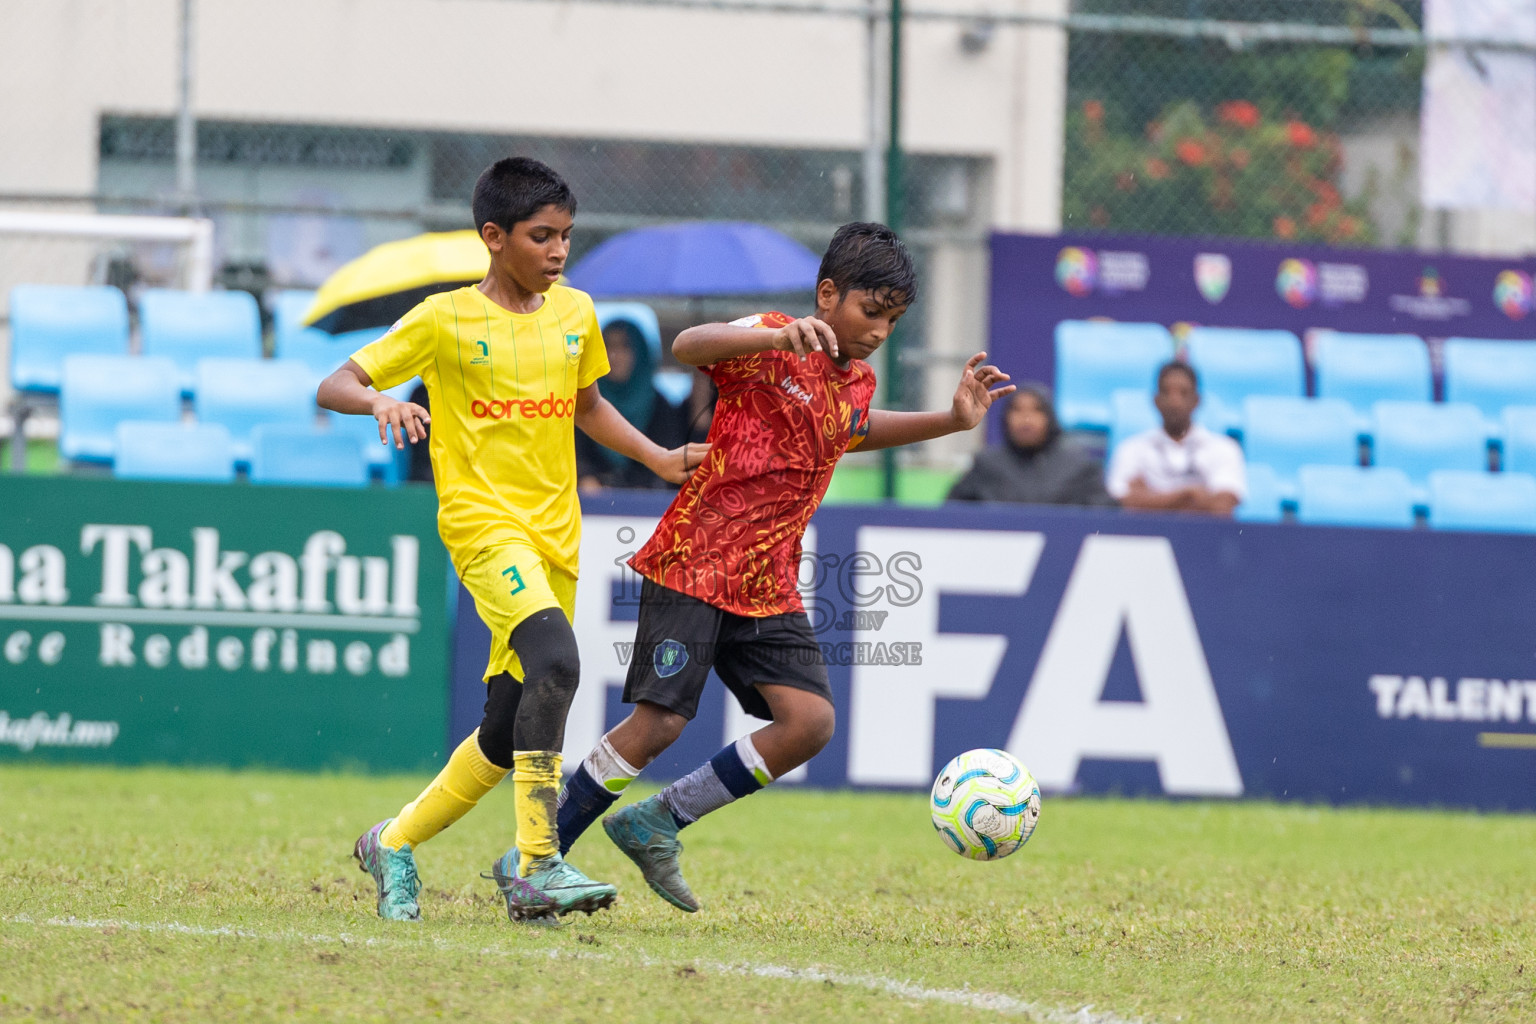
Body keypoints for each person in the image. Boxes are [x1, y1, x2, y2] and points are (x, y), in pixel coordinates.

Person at [550, 222, 1015, 912]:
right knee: (660, 724)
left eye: (894, 318)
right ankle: (536, 857)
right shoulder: (770, 337)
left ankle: (658, 820)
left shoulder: (857, 378)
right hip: (697, 558)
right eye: (870, 311)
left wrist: (948, 421)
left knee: (808, 723)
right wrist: (772, 337)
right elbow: (687, 346)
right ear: (828, 295)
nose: (881, 329)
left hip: (767, 584)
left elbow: (852, 429)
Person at [316, 157, 704, 924]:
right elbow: (336, 384)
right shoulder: (444, 319)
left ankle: (389, 842)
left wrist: (657, 457)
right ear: (494, 238)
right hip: (484, 529)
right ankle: (537, 865)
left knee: (506, 723)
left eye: (565, 235)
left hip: (557, 538)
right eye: (541, 236)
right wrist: (380, 404)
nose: (558, 250)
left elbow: (588, 405)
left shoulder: (576, 313)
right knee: (559, 662)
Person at [1105, 360, 1246, 516]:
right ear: (1155, 400)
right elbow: (1122, 503)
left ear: (1197, 400)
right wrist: (1190, 494)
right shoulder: (1131, 449)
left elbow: (1222, 507)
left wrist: (1149, 496)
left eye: (1183, 393)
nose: (1175, 402)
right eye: (1166, 392)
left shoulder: (1224, 449)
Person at [946, 384, 1115, 507]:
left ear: (1050, 418)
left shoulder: (1078, 466)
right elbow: (952, 512)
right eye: (1017, 410)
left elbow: (1103, 514)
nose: (1026, 419)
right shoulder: (986, 464)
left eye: (1037, 410)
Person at [574, 313, 690, 491]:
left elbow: (670, 457)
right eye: (608, 347)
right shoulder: (583, 401)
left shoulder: (660, 406)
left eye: (625, 346)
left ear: (640, 352)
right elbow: (574, 453)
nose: (615, 356)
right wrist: (586, 478)